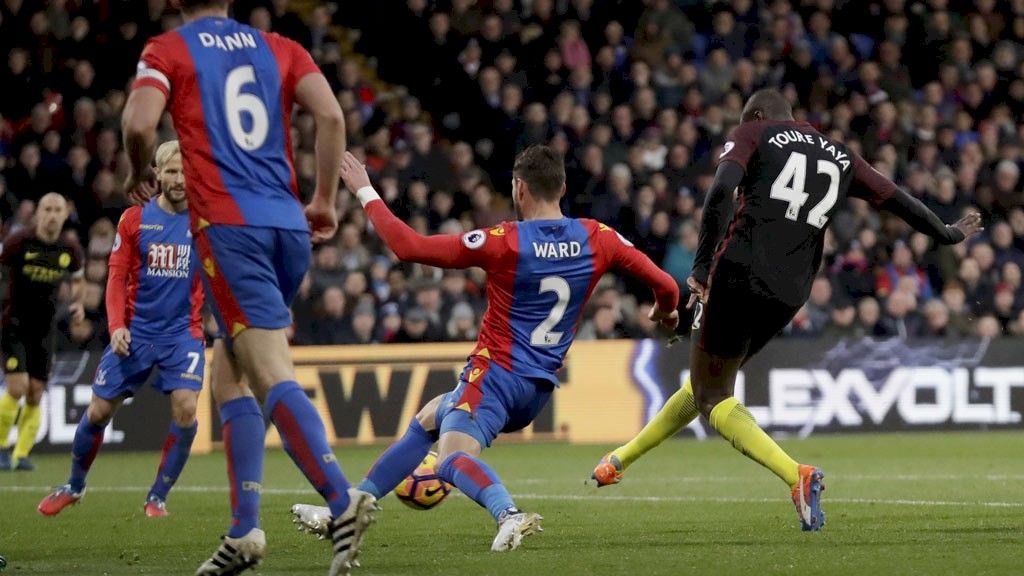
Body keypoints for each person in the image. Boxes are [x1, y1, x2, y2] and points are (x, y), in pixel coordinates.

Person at [590, 89, 983, 532]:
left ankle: (796, 475)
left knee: (711, 392)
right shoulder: (840, 155)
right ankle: (620, 459)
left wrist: (700, 267)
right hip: (791, 291)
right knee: (708, 383)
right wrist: (947, 233)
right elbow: (897, 200)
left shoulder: (754, 131)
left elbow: (721, 191)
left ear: (758, 115)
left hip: (740, 272)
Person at [291, 146, 680, 551]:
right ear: (562, 187)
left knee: (449, 459)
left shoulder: (505, 241)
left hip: (493, 376)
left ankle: (507, 514)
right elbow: (667, 287)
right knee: (431, 416)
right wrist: (666, 315)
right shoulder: (597, 237)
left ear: (518, 189)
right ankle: (350, 509)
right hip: (536, 391)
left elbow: (408, 247)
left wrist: (364, 191)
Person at [120, 1, 374, 574]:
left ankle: (342, 499)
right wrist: (325, 199)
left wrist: (139, 170)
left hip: (231, 231)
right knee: (229, 368)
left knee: (268, 369)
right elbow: (331, 118)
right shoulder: (281, 46)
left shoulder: (169, 49)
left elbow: (139, 123)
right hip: (287, 224)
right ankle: (243, 532)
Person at [37, 141, 205, 518]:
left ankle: (157, 496)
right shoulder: (134, 219)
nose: (179, 179)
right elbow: (116, 278)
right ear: (157, 175)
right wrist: (116, 328)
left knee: (187, 409)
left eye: (185, 172)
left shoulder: (204, 219)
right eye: (172, 172)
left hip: (183, 333)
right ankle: (74, 485)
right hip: (136, 332)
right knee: (98, 412)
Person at [0, 193, 85, 471]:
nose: (51, 215)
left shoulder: (70, 250)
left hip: (44, 331)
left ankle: (21, 454)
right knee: (17, 387)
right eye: (46, 209)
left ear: (65, 214)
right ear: (37, 213)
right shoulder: (19, 243)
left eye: (57, 210)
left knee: (36, 393)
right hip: (13, 325)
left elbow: (77, 279)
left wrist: (78, 304)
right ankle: (1, 448)